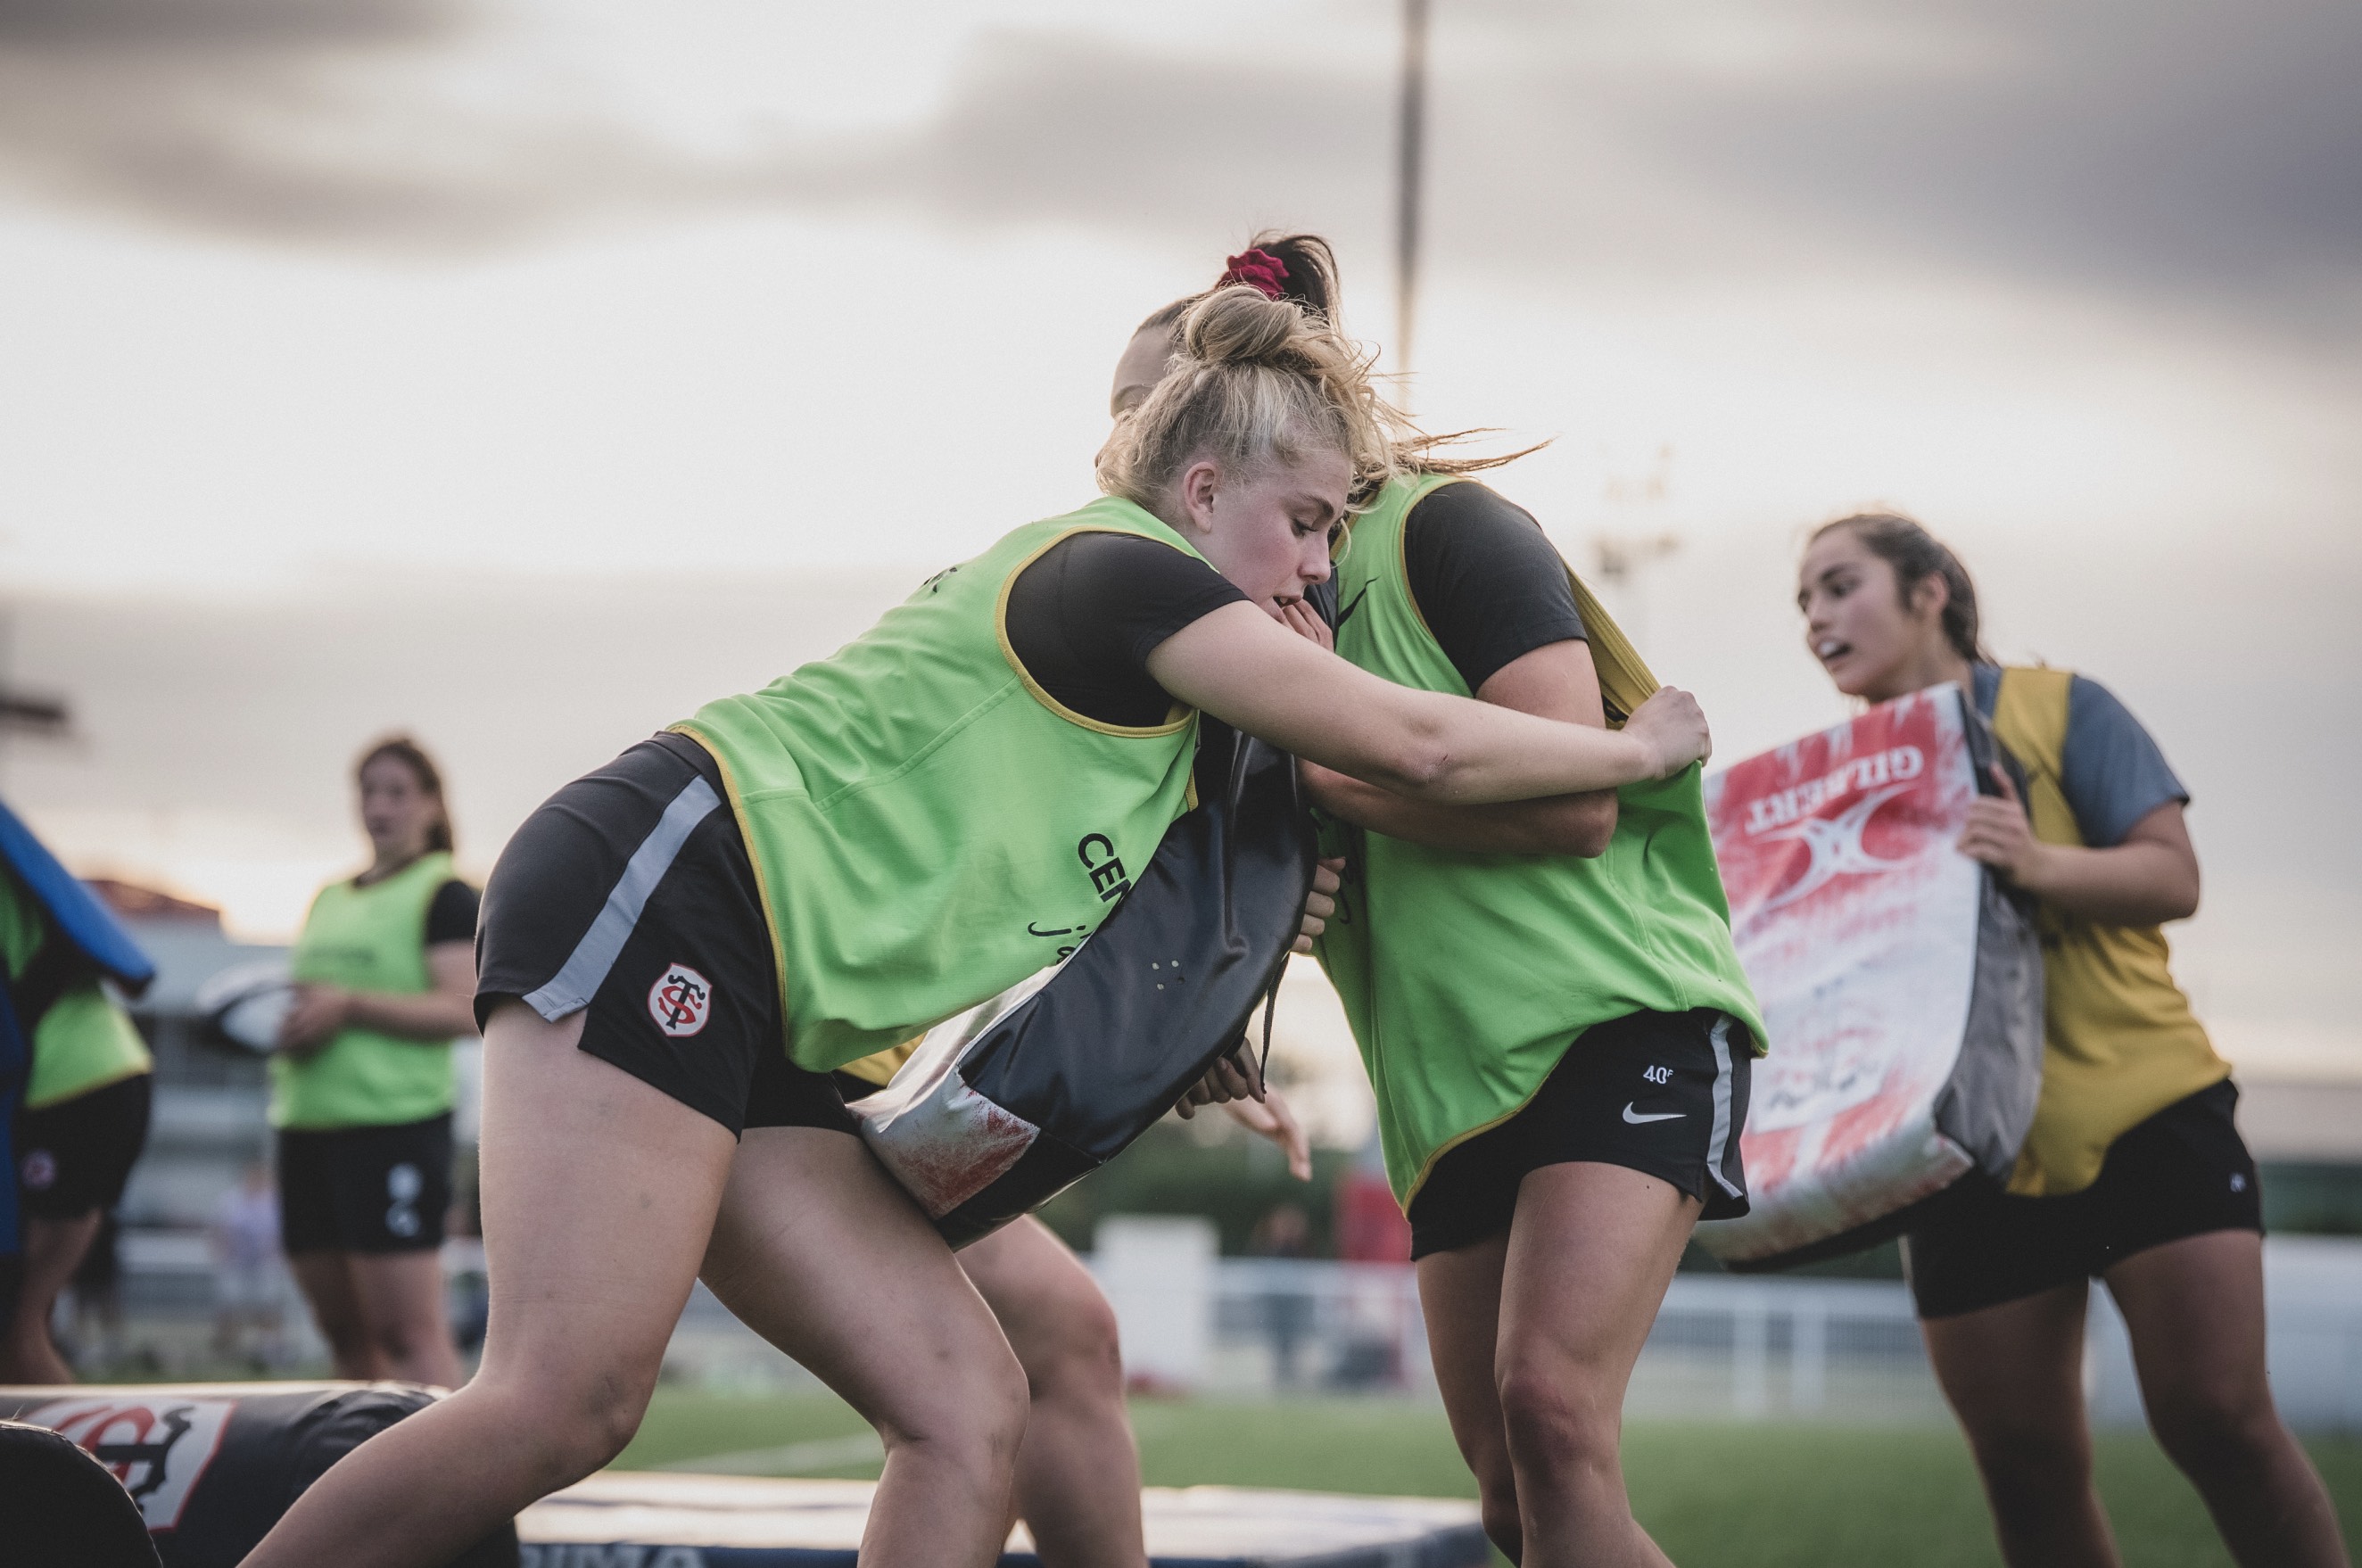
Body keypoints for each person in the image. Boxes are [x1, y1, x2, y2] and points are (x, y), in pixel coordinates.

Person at [240, 284, 1713, 1568]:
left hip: (781, 1008)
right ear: (1200, 493)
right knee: (563, 1397)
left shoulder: (1183, 699)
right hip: (672, 877)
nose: (1324, 563)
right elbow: (1421, 746)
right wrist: (1638, 753)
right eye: (1307, 521)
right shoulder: (1123, 571)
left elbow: (1196, 924)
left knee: (964, 1401)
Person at [1121, 239, 1766, 1567]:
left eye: (1138, 414)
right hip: (1444, 1082)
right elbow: (1258, 894)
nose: (1116, 459)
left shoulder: (1446, 529)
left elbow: (1577, 800)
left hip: (1617, 1019)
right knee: (1512, 1498)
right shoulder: (1218, 643)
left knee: (1553, 1410)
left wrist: (1330, 779)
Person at [1796, 512, 2347, 1568]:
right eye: (1803, 602)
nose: (1816, 617)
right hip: (1957, 1154)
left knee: (2216, 1423)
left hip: (2143, 1111)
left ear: (1929, 593)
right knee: (2023, 1462)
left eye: (1838, 585)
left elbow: (2171, 876)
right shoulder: (1836, 780)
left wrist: (2034, 862)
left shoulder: (2064, 708)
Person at [272, 737, 476, 1390]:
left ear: (429, 804)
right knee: (345, 1337)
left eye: (396, 791)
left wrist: (351, 1004)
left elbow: (468, 1008)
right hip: (307, 1128)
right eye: (368, 791)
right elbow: (311, 1000)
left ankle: (454, 1487)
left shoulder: (443, 894)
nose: (379, 806)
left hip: (393, 1129)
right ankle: (364, 1478)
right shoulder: (329, 896)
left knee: (407, 1335)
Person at [2, 804, 156, 1384]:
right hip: (97, 1081)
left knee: (17, 1328)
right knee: (18, 1327)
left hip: (77, 1091)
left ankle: (88, 1475)